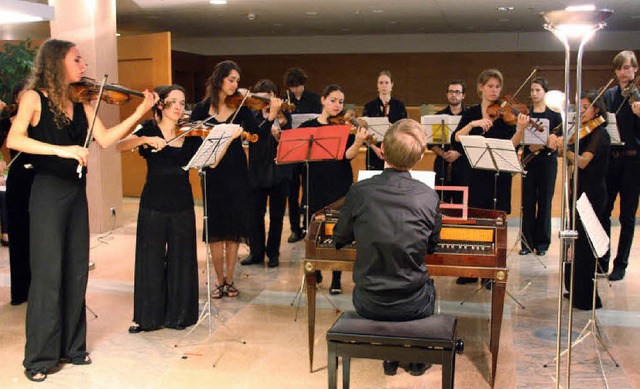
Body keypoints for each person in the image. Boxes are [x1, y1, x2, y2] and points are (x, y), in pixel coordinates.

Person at [6, 39, 157, 382]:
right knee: (47, 275)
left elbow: (105, 140)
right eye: (77, 59)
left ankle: (73, 348)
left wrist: (138, 113)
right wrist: (61, 151)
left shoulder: (81, 100)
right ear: (58, 62)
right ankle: (40, 358)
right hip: (47, 192)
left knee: (76, 270)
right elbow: (15, 139)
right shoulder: (34, 98)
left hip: (76, 194)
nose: (84, 65)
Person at [333, 118, 442, 376]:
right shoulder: (428, 195)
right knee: (430, 287)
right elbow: (432, 244)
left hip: (367, 301)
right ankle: (414, 359)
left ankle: (390, 356)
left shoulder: (359, 191)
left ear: (383, 150)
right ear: (417, 158)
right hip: (414, 302)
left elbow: (340, 237)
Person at [191, 61, 281, 299]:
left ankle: (230, 279)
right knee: (216, 228)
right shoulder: (201, 109)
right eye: (231, 79)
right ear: (219, 79)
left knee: (233, 229)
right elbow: (192, 138)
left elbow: (258, 137)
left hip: (237, 171)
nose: (235, 85)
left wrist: (271, 116)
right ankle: (218, 280)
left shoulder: (241, 108)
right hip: (212, 171)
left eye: (237, 81)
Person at [116, 85, 200, 333]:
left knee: (181, 260)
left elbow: (210, 160)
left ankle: (179, 315)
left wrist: (224, 142)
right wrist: (143, 139)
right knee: (150, 259)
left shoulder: (191, 132)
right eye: (173, 102)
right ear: (161, 104)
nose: (178, 107)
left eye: (182, 103)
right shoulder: (149, 128)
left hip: (182, 203)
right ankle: (147, 317)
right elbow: (119, 145)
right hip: (154, 202)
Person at [451, 69, 528, 285]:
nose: (494, 90)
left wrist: (520, 129)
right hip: (474, 175)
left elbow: (511, 146)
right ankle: (471, 270)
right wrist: (472, 125)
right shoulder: (472, 113)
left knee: (495, 224)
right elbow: (455, 139)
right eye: (490, 86)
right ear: (481, 88)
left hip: (497, 175)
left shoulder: (506, 117)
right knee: (475, 222)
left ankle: (490, 273)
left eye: (497, 87)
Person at [299, 84, 368, 294]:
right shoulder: (307, 127)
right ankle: (316, 268)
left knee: (339, 229)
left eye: (340, 101)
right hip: (315, 184)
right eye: (333, 100)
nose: (337, 105)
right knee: (314, 230)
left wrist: (357, 142)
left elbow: (348, 155)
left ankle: (336, 277)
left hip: (339, 183)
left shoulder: (344, 128)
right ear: (323, 100)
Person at [558, 90, 610, 310]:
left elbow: (582, 162)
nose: (580, 110)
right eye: (579, 106)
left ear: (596, 109)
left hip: (592, 194)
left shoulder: (600, 134)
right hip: (579, 191)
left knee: (586, 248)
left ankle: (587, 298)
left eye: (585, 106)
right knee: (576, 243)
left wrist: (565, 150)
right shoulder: (585, 133)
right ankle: (575, 290)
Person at [240, 79, 291, 268]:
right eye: (263, 96)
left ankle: (274, 253)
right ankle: (256, 252)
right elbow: (255, 137)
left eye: (271, 95)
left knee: (277, 216)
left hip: (280, 172)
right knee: (255, 215)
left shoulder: (284, 116)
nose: (268, 99)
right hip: (257, 170)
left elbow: (291, 140)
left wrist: (282, 132)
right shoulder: (251, 115)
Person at [600, 50, 640, 281]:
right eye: (619, 68)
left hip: (633, 162)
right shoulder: (610, 95)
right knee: (605, 211)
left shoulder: (638, 97)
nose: (623, 72)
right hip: (612, 160)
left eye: (627, 67)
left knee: (627, 216)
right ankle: (603, 259)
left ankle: (621, 264)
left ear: (635, 69)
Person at [520, 77, 562, 256]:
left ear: (545, 91)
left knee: (545, 201)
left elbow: (558, 139)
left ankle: (542, 244)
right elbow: (517, 137)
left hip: (547, 162)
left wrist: (545, 141)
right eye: (532, 90)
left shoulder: (554, 115)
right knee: (527, 202)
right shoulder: (525, 114)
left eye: (538, 90)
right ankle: (526, 243)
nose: (534, 94)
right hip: (529, 160)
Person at [0, 79, 32, 306]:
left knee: (40, 237)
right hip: (19, 182)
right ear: (17, 98)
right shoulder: (6, 123)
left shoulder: (42, 121)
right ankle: (20, 291)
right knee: (19, 236)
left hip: (42, 181)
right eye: (26, 93)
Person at [282, 67, 322, 243]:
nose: (295, 89)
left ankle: (308, 226)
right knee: (292, 191)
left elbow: (318, 122)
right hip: (292, 150)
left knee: (308, 190)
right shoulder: (285, 101)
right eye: (292, 87)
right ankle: (294, 228)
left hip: (309, 150)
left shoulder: (314, 99)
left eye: (298, 86)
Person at [362, 70, 407, 170]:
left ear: (392, 85)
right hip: (374, 152)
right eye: (381, 83)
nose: (384, 85)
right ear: (377, 85)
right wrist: (375, 148)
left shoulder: (399, 106)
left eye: (387, 82)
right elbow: (363, 131)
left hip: (395, 152)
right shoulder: (369, 106)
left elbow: (404, 129)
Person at [429, 80, 466, 203]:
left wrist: (458, 153)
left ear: (463, 95)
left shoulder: (469, 116)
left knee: (460, 202)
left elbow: (474, 140)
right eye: (451, 92)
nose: (453, 95)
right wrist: (443, 154)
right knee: (440, 201)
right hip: (442, 163)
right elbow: (431, 142)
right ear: (447, 94)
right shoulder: (438, 116)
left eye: (457, 92)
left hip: (462, 164)